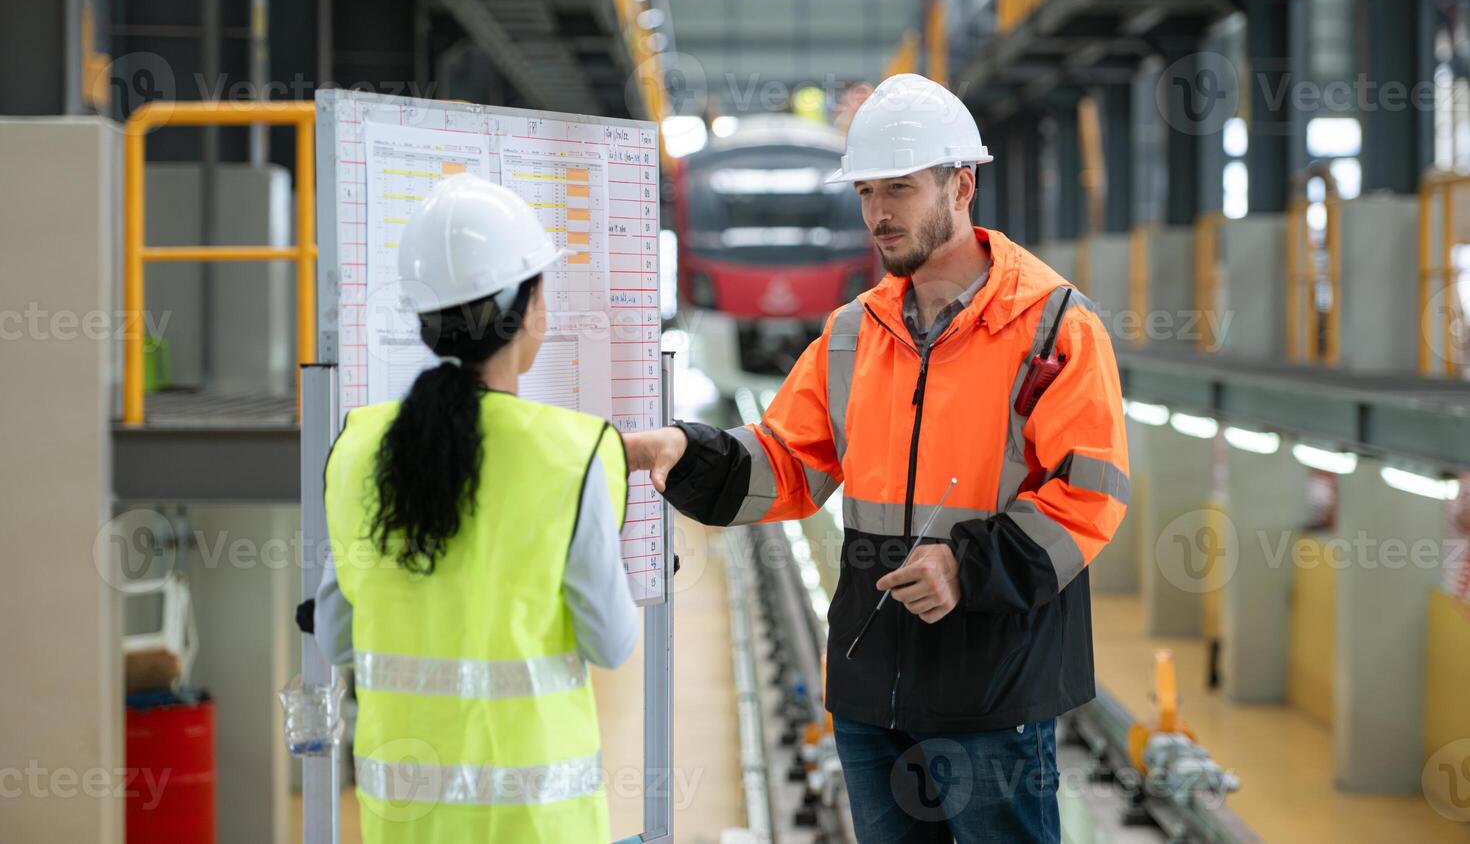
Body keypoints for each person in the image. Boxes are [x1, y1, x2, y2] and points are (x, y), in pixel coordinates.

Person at [626, 74, 1129, 843]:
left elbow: (1088, 493)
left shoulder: (1052, 324)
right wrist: (684, 451)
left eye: (899, 188)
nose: (877, 215)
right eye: (865, 192)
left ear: (961, 185)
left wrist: (967, 565)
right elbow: (787, 464)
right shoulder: (854, 333)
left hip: (994, 689)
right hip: (871, 686)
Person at [313, 173, 637, 842]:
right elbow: (611, 642)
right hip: (537, 821)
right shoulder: (575, 453)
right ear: (529, 309)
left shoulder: (356, 448)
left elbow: (336, 636)